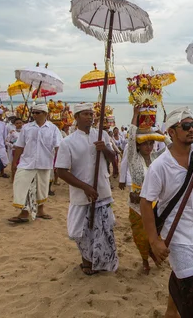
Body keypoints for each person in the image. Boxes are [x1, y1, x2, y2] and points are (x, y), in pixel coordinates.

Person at [140, 107, 193, 318]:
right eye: (185, 126)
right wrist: (154, 240)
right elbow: (145, 203)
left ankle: (170, 312)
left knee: (185, 275)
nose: (191, 129)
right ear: (171, 132)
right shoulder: (160, 166)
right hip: (176, 236)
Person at [56, 103, 119, 275]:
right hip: (81, 195)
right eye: (85, 114)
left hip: (102, 190)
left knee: (105, 229)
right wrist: (84, 187)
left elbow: (113, 158)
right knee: (84, 231)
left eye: (91, 114)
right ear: (76, 117)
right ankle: (87, 262)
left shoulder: (102, 135)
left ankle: (103, 262)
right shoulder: (68, 142)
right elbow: (61, 171)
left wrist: (104, 149)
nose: (90, 117)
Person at [123, 105, 170, 274]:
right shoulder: (133, 158)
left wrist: (160, 135)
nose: (149, 147)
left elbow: (171, 148)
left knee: (155, 232)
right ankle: (145, 259)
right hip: (136, 204)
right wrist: (135, 115)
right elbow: (130, 139)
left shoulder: (156, 158)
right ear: (139, 145)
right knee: (140, 236)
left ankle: (154, 253)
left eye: (151, 143)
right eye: (145, 144)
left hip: (154, 203)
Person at [8, 105, 62, 223]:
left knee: (41, 188)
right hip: (26, 162)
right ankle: (24, 212)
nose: (35, 115)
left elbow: (59, 147)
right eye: (34, 113)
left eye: (38, 113)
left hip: (44, 163)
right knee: (21, 185)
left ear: (45, 114)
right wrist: (14, 163)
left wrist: (60, 164)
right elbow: (19, 145)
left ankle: (40, 210)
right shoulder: (26, 128)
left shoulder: (53, 129)